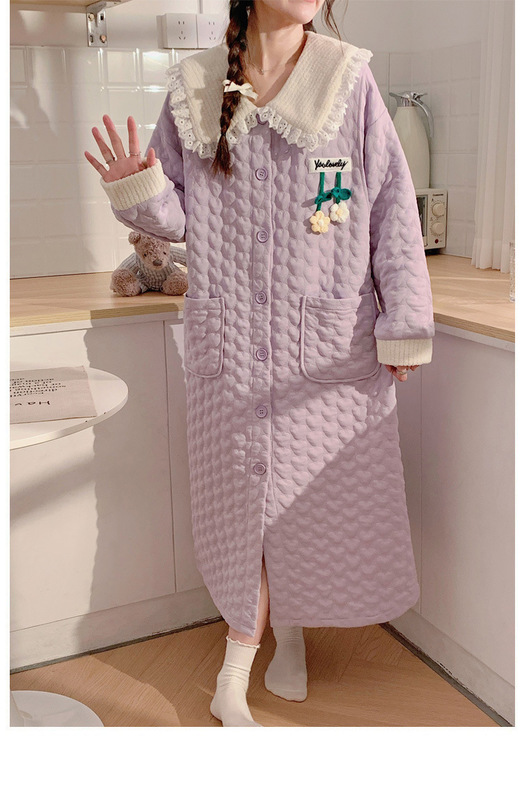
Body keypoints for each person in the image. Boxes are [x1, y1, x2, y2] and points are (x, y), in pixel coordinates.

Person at [84, 0, 435, 727]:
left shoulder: (347, 79)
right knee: (245, 509)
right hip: (234, 349)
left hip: (327, 350)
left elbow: (393, 208)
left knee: (305, 505)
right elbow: (178, 218)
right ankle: (242, 665)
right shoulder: (196, 85)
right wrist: (137, 189)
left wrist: (405, 322)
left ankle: (281, 642)